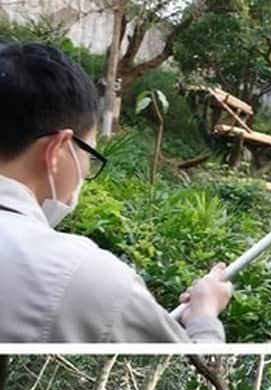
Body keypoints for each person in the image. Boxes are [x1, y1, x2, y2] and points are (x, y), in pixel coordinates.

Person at [0, 41, 232, 343]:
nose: (85, 171)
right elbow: (203, 377)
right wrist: (204, 314)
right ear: (57, 150)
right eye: (88, 154)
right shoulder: (85, 279)